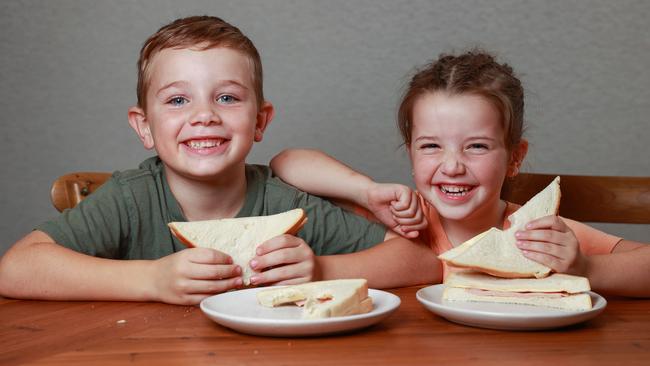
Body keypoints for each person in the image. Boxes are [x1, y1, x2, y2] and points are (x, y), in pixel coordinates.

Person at [0, 16, 439, 305]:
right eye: (177, 100)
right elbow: (16, 268)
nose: (204, 115)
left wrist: (321, 268)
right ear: (144, 127)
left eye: (227, 97)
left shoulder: (286, 205)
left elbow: (422, 262)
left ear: (259, 121)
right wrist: (151, 280)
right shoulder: (131, 200)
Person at [270, 50, 650, 297]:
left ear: (515, 158)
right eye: (431, 146)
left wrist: (585, 267)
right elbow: (286, 163)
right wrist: (366, 191)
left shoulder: (537, 233)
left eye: (477, 146)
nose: (452, 166)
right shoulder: (398, 217)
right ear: (411, 154)